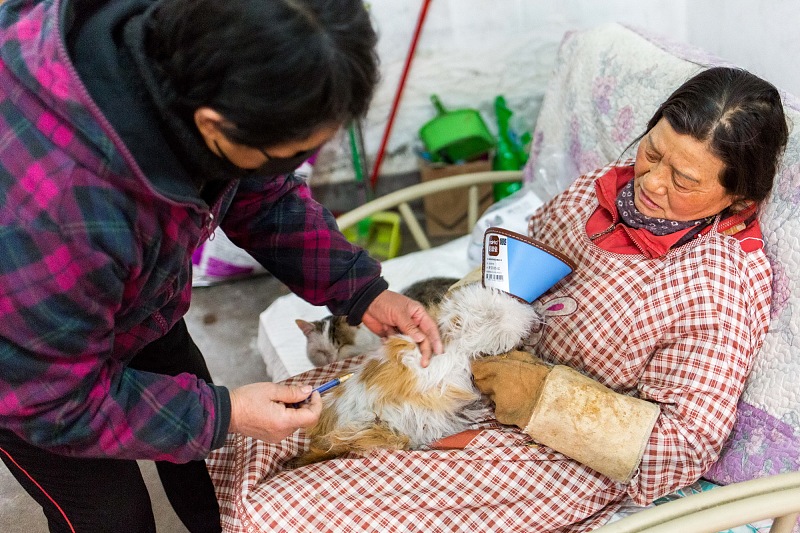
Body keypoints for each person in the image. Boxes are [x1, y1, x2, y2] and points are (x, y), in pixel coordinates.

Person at [0, 0, 442, 531]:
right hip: (29, 376)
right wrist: (224, 414)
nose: (293, 168)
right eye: (290, 153)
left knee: (202, 458)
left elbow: (260, 192)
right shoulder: (58, 217)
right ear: (214, 124)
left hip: (135, 304)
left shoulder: (199, 55)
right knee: (112, 516)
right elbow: (55, 404)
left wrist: (362, 290)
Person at [471, 65, 788, 527]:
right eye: (652, 152)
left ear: (737, 199)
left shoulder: (715, 286)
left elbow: (686, 443)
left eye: (684, 181)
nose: (652, 182)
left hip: (555, 463)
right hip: (479, 392)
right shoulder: (604, 189)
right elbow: (526, 261)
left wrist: (542, 398)